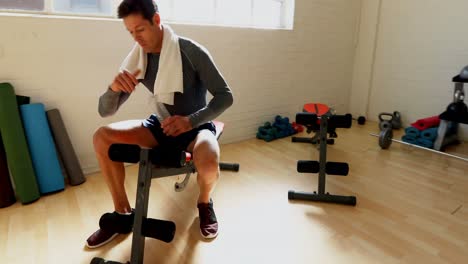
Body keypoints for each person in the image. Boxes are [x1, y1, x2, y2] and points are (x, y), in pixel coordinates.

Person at [86, 0, 233, 248]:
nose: (136, 38)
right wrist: (113, 88)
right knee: (102, 137)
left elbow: (225, 96)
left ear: (156, 19)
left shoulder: (191, 51)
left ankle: (205, 203)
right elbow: (105, 111)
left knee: (208, 161)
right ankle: (123, 214)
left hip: (195, 127)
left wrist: (190, 121)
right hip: (160, 126)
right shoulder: (137, 59)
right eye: (130, 32)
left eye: (140, 29)